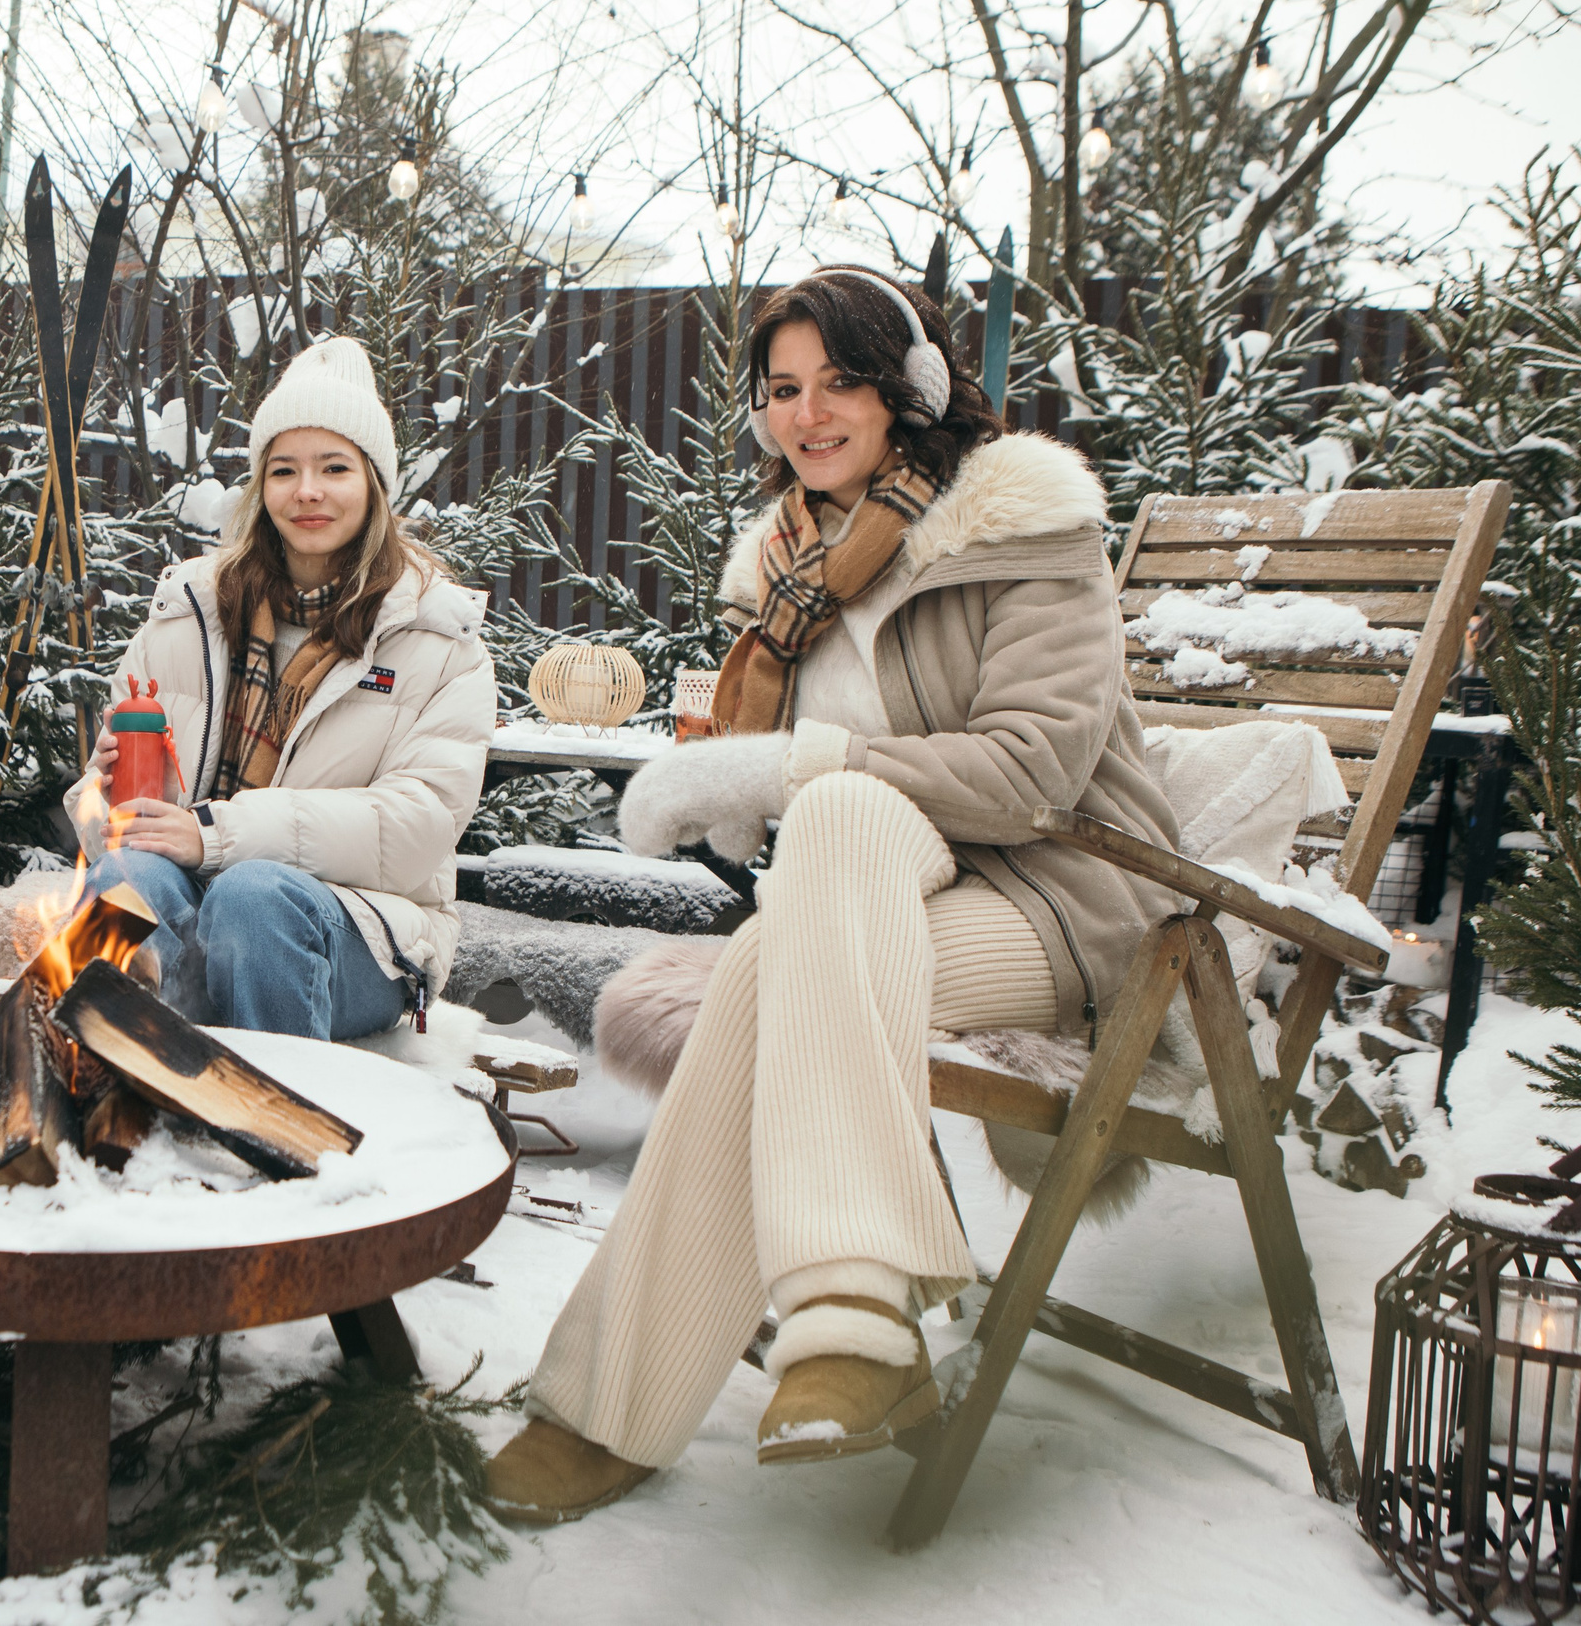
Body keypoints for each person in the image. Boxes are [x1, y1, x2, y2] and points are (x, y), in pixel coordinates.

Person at [481, 266, 1181, 1521]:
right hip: (878, 902)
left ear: (910, 390)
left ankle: (616, 1404)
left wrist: (792, 764)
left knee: (817, 863)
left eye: (841, 382)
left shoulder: (1024, 533)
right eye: (784, 390)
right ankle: (849, 1317)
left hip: (1065, 901)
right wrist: (740, 785)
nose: (808, 415)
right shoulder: (794, 576)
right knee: (798, 910)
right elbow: (829, 807)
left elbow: (1033, 774)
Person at [63, 336, 493, 1042]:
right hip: (195, 908)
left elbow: (415, 830)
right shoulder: (188, 614)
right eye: (284, 469)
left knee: (254, 896)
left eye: (334, 467)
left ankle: (275, 1131)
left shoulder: (438, 639)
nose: (308, 491)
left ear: (375, 485)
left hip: (360, 931)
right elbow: (106, 832)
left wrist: (218, 835)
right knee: (120, 880)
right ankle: (100, 1109)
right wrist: (107, 791)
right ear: (261, 485)